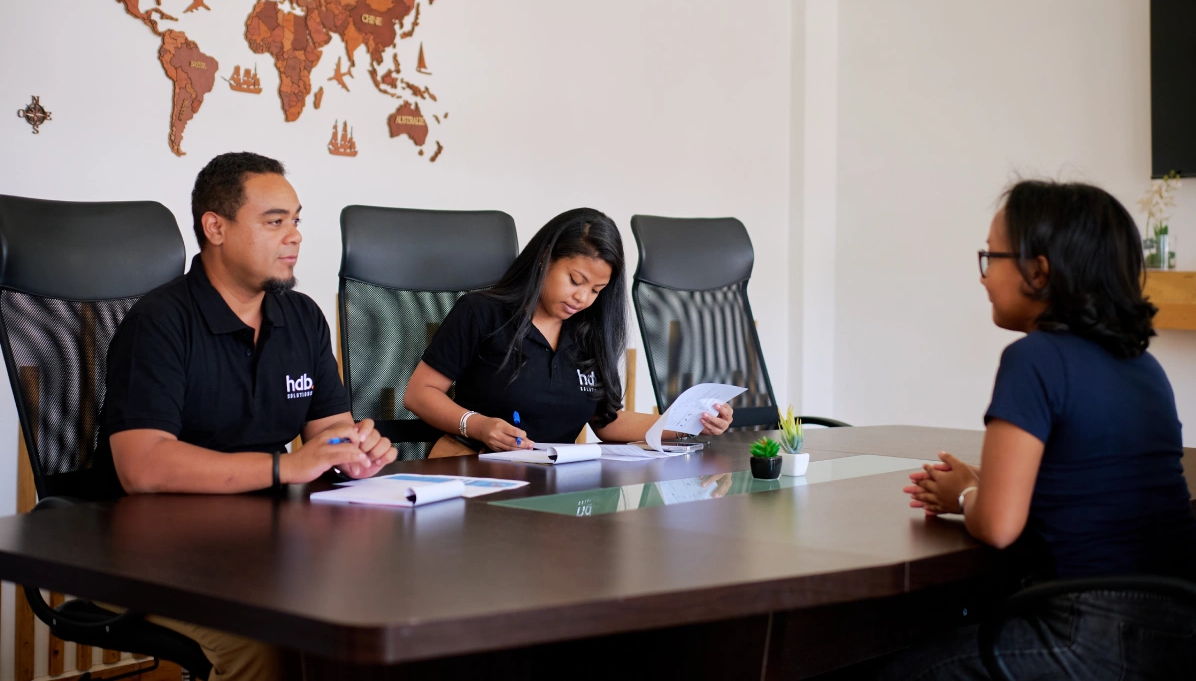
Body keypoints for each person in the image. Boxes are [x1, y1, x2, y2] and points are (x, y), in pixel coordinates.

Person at [92, 152, 398, 680]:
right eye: (274, 222)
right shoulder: (160, 322)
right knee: (263, 641)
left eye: (296, 220)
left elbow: (327, 427)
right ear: (216, 228)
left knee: (367, 605)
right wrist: (286, 467)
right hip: (149, 548)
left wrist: (353, 449)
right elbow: (143, 467)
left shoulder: (301, 316)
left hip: (263, 538)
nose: (295, 236)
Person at [885, 180, 1196, 680]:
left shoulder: (1034, 359)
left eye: (991, 257)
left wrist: (965, 493)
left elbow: (998, 526)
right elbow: (1087, 485)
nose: (983, 278)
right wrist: (985, 481)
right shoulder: (1142, 365)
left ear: (1038, 271)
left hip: (1084, 635)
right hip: (1180, 635)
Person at [404, 208, 734, 456]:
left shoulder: (588, 333)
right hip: (471, 466)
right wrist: (478, 425)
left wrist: (689, 424)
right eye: (575, 280)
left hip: (548, 480)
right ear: (545, 258)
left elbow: (607, 423)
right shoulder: (481, 312)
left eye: (596, 290)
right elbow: (419, 393)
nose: (583, 298)